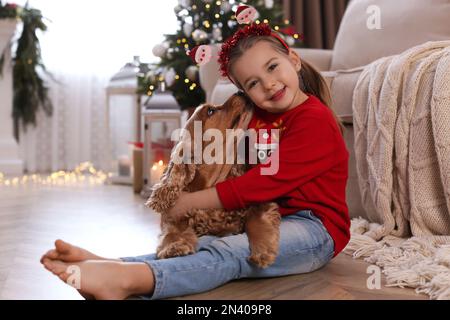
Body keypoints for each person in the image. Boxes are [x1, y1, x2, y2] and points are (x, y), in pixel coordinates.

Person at [40, 22, 350, 300]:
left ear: (293, 60)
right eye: (253, 83)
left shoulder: (314, 120)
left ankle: (129, 280)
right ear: (244, 92)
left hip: (315, 230)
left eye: (272, 67)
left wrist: (189, 202)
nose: (268, 84)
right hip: (268, 219)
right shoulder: (257, 119)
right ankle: (116, 265)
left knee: (230, 252)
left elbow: (264, 183)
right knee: (200, 245)